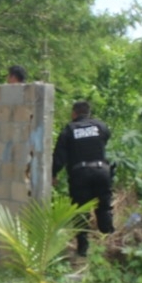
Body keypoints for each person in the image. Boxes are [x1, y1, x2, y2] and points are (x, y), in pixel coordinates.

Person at [51, 100, 113, 258]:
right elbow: (106, 138)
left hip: (80, 175)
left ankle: (83, 248)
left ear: (74, 113)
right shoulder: (100, 126)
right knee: (104, 207)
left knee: (80, 211)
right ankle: (110, 240)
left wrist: (53, 173)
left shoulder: (69, 129)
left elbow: (59, 156)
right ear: (89, 113)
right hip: (101, 171)